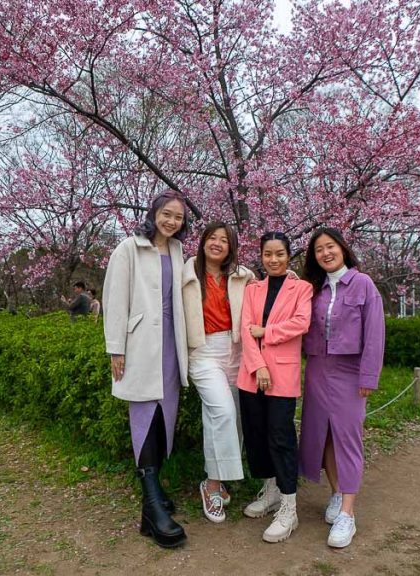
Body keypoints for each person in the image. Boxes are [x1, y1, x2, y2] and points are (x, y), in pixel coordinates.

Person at [102, 191, 190, 548]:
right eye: (166, 214)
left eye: (179, 218)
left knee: (163, 418)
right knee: (144, 417)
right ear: (153, 214)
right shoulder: (129, 248)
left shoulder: (180, 252)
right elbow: (114, 299)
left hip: (170, 344)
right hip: (139, 346)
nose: (171, 222)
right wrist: (115, 348)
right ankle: (154, 505)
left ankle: (151, 507)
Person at [299, 227, 385, 548]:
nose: (325, 253)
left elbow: (375, 333)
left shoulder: (363, 284)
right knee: (322, 437)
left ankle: (348, 514)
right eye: (319, 249)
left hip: (350, 372)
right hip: (318, 369)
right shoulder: (315, 290)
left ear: (343, 249)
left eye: (330, 246)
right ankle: (336, 493)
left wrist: (368, 376)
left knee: (348, 439)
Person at [238, 231, 313, 543]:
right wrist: (259, 366)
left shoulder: (302, 288)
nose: (273, 260)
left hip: (282, 377)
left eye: (279, 254)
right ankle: (269, 492)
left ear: (288, 255)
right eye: (268, 254)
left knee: (281, 437)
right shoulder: (253, 289)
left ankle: (288, 506)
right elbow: (245, 328)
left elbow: (301, 323)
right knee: (256, 436)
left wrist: (266, 331)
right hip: (251, 374)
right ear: (261, 256)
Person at [181, 222, 254, 523]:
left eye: (224, 240)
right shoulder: (186, 272)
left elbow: (265, 294)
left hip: (235, 349)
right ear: (203, 242)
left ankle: (218, 479)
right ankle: (211, 485)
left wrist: (288, 278)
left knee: (231, 417)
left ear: (231, 246)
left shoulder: (241, 275)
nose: (217, 243)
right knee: (221, 411)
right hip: (202, 351)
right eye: (212, 237)